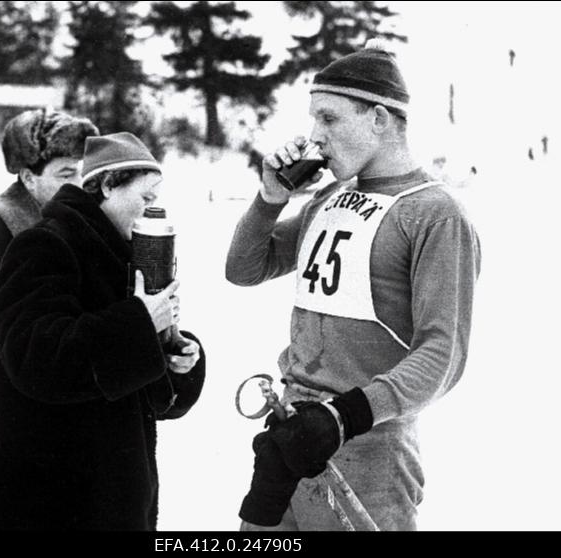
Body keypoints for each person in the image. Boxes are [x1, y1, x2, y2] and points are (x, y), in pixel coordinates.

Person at [226, 40, 481, 531]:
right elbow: (244, 268)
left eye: (329, 119)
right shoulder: (331, 196)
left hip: (368, 446)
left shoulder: (434, 214)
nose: (314, 137)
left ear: (379, 119)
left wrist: (344, 417)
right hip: (289, 434)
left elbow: (442, 356)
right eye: (314, 120)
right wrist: (269, 198)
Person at [0, 132, 206, 530]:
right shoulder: (44, 244)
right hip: (37, 494)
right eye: (145, 198)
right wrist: (139, 322)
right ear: (106, 185)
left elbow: (135, 387)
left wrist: (175, 358)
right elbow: (36, 356)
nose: (151, 210)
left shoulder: (121, 256)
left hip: (91, 489)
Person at [0, 108, 98, 357]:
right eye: (66, 174)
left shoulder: (84, 228)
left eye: (82, 172)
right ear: (29, 178)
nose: (79, 184)